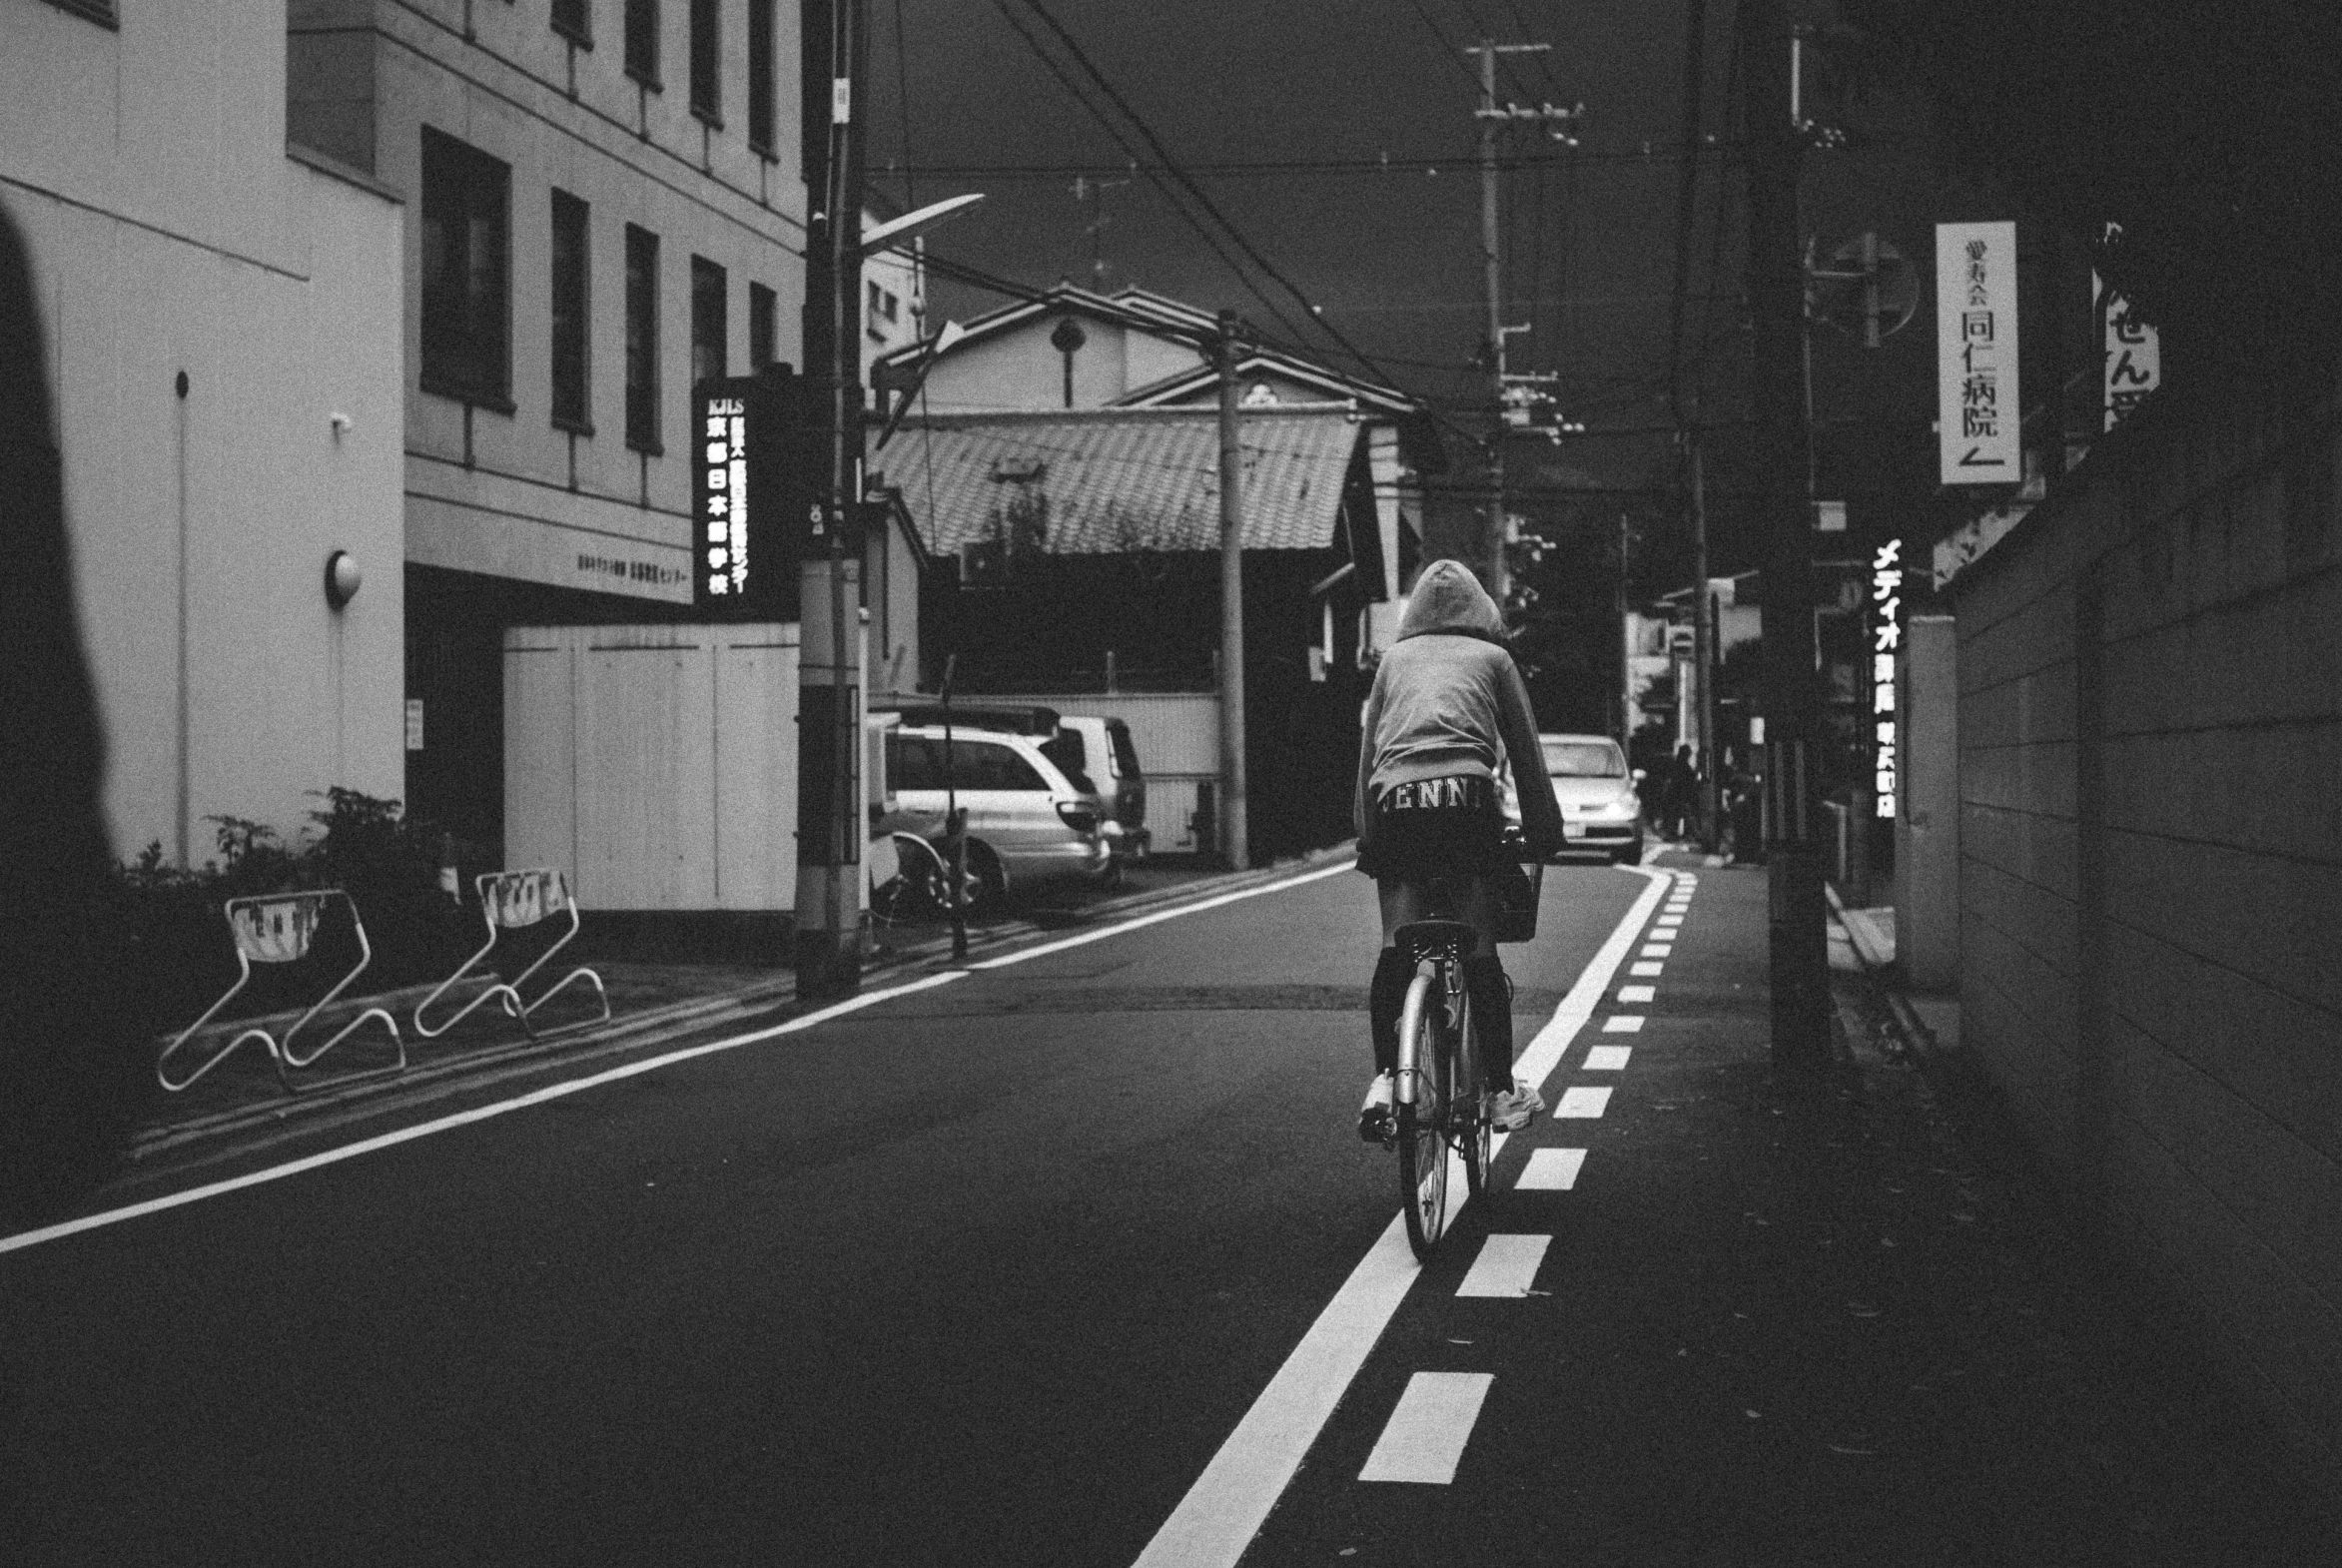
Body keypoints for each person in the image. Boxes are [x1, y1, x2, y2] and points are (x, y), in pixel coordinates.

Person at [1353, 560, 1565, 1142]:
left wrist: (1368, 835)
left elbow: (1369, 754)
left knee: (1396, 946)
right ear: (1482, 613)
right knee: (1480, 952)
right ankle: (1498, 1091)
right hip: (1466, 803)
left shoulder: (1393, 661)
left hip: (1396, 804)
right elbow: (1525, 753)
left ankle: (1382, 1082)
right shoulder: (1495, 660)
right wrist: (1546, 832)